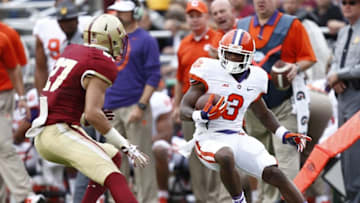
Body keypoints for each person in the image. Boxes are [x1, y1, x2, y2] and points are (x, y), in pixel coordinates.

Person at [25, 14, 149, 203]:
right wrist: (127, 146)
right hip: (59, 132)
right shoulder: (100, 62)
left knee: (113, 156)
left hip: (48, 133)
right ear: (110, 39)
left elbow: (67, 104)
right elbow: (93, 114)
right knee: (115, 176)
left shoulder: (72, 50)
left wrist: (86, 117)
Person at [179, 29, 311, 203]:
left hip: (236, 135)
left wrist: (283, 134)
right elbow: (183, 110)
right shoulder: (208, 69)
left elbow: (263, 113)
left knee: (275, 173)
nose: (232, 59)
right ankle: (239, 201)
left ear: (248, 57)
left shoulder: (257, 77)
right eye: (229, 54)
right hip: (208, 137)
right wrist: (200, 115)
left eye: (237, 55)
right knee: (226, 155)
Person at [236, 0, 317, 202]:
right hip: (254, 106)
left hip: (284, 103)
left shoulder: (292, 24)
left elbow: (309, 57)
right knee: (260, 161)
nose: (261, 1)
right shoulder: (242, 26)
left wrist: (296, 67)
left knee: (287, 160)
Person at [172, 1, 231, 202]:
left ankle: (216, 198)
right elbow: (180, 79)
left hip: (213, 107)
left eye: (199, 15)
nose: (195, 19)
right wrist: (175, 105)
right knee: (195, 154)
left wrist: (220, 57)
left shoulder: (218, 39)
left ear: (207, 17)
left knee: (214, 154)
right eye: (191, 15)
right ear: (187, 19)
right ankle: (201, 198)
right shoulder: (184, 44)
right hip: (191, 107)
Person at [104, 1, 161, 202]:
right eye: (117, 10)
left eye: (123, 11)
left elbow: (153, 76)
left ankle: (148, 200)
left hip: (134, 105)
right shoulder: (109, 39)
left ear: (134, 12)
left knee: (141, 159)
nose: (118, 14)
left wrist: (141, 105)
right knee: (115, 161)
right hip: (111, 106)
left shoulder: (146, 40)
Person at [0, 22, 45, 203]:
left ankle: (24, 195)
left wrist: (21, 97)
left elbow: (17, 66)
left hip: (2, 94)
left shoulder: (5, 35)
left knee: (2, 145)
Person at [326, 0, 360, 201]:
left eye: (353, 3)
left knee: (356, 150)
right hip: (343, 96)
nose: (347, 6)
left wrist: (340, 74)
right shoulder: (343, 32)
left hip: (357, 93)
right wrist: (334, 76)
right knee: (345, 149)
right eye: (344, 3)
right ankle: (349, 195)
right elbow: (334, 61)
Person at [33, 0, 91, 93]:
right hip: (55, 88)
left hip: (83, 87)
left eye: (69, 20)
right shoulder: (44, 26)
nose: (66, 24)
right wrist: (42, 96)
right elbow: (40, 68)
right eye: (63, 21)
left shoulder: (90, 24)